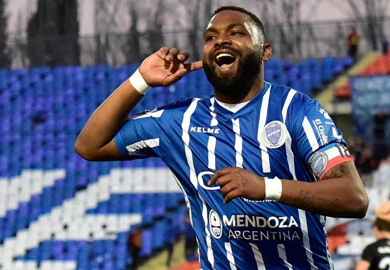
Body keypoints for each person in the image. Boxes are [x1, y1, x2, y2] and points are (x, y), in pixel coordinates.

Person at [74, 6, 369, 270]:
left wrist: (266, 187)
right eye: (210, 37)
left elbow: (353, 198)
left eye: (236, 32)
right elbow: (89, 145)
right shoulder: (180, 121)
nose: (221, 41)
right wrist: (140, 80)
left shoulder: (298, 110)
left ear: (264, 51)